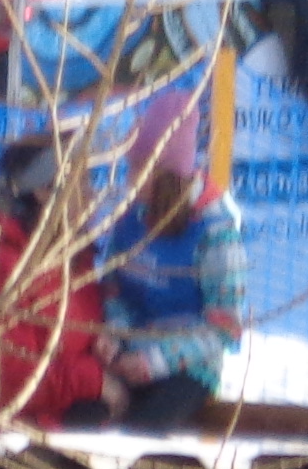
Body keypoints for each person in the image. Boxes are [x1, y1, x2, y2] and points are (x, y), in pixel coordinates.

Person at [0, 134, 111, 428]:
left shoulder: (73, 257)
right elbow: (10, 381)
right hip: (1, 442)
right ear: (43, 192)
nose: (91, 194)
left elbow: (74, 339)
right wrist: (94, 379)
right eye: (82, 183)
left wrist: (106, 346)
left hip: (67, 427)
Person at [102, 121, 244, 430]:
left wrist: (155, 361)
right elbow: (113, 290)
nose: (128, 180)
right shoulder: (130, 219)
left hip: (187, 367)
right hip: (127, 357)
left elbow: (224, 326)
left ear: (163, 175)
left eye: (137, 169)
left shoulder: (215, 233)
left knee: (141, 430)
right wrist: (115, 336)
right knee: (88, 414)